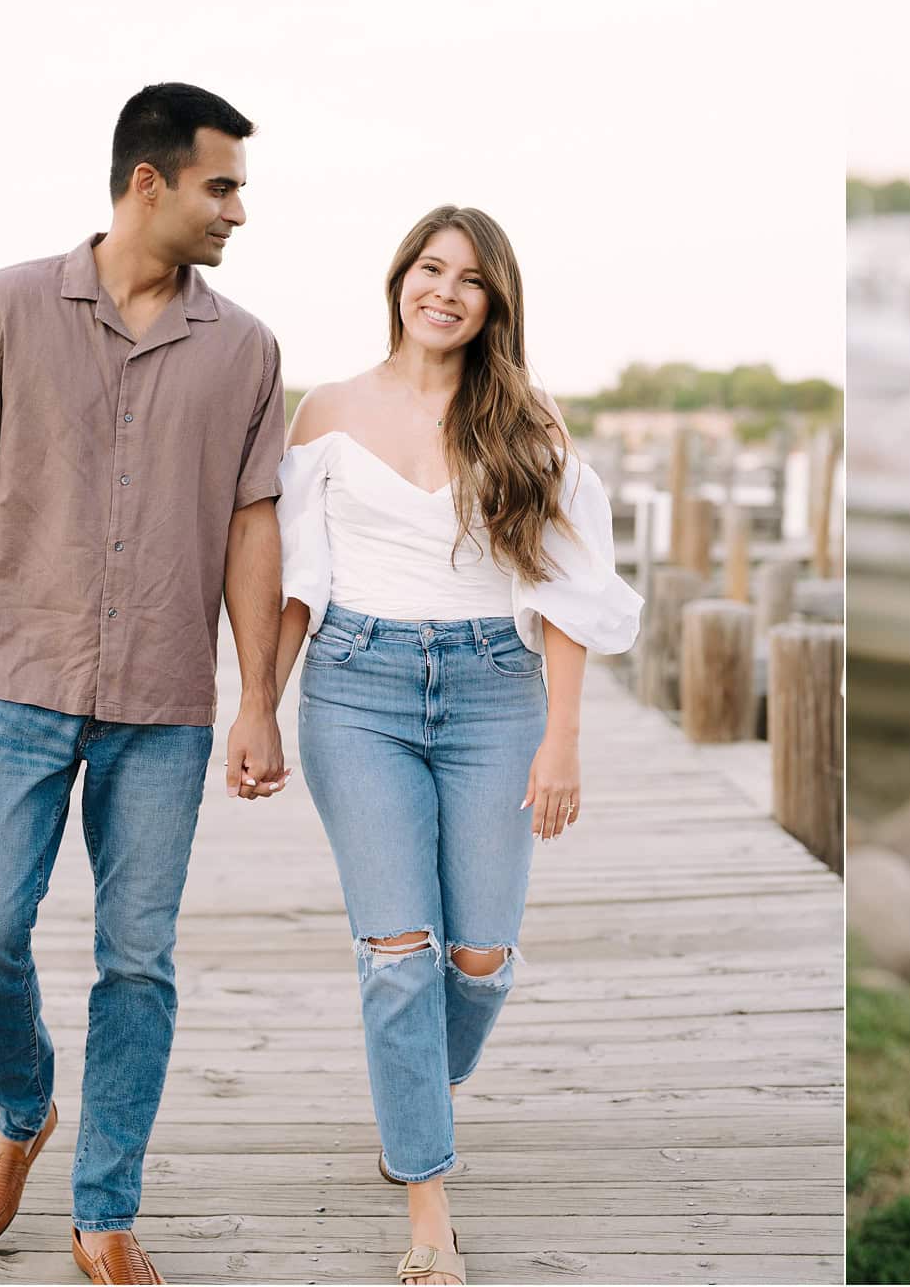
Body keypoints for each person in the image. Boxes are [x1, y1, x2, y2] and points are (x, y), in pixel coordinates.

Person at [0, 82, 287, 1286]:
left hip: (164, 702)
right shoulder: (6, 305)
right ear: (148, 182)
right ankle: (23, 1110)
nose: (238, 212)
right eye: (222, 186)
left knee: (137, 960)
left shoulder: (248, 350)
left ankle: (104, 1207)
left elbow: (252, 528)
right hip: (14, 678)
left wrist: (259, 693)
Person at [271, 204, 642, 1286]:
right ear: (399, 280)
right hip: (355, 688)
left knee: (476, 958)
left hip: (493, 692)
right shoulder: (328, 411)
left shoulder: (527, 421)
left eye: (468, 280)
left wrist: (561, 741)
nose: (442, 290)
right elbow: (296, 580)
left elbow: (569, 591)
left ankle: (415, 1086)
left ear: (494, 304)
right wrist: (258, 707)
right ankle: (425, 1202)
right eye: (428, 269)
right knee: (399, 955)